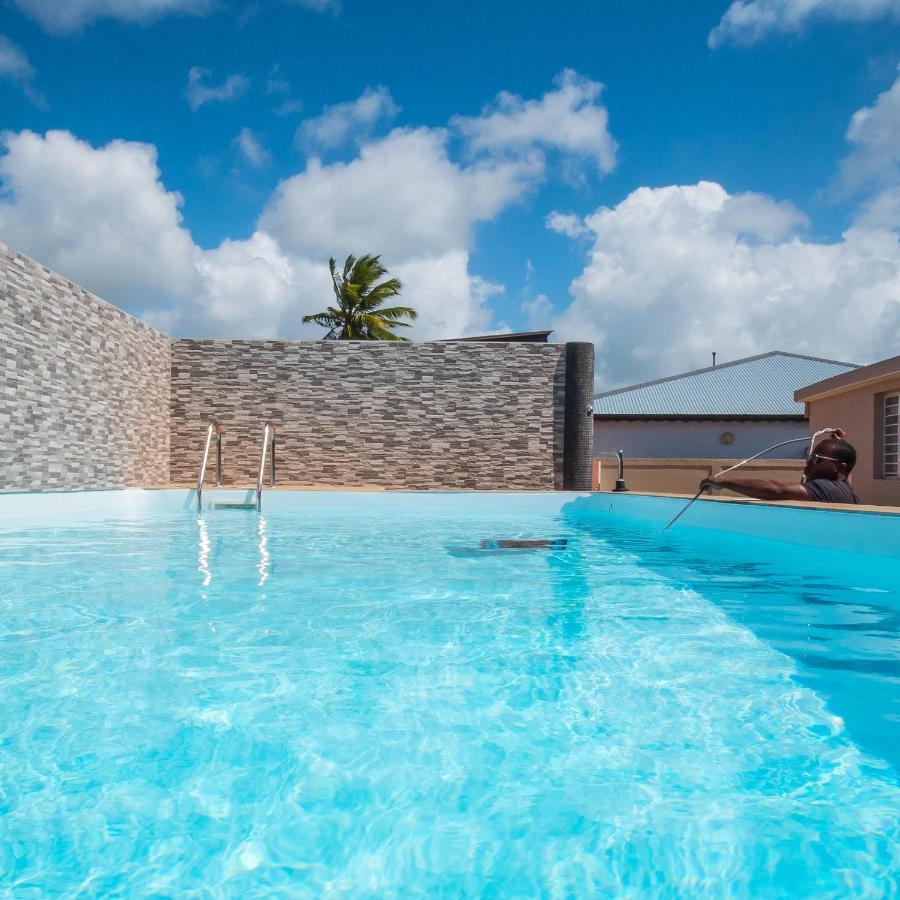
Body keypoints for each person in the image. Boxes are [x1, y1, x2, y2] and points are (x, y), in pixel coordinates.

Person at [699, 430, 860, 504]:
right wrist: (842, 444)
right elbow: (847, 476)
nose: (809, 462)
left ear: (838, 468)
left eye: (817, 459)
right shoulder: (846, 492)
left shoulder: (824, 489)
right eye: (810, 457)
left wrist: (722, 482)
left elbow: (777, 489)